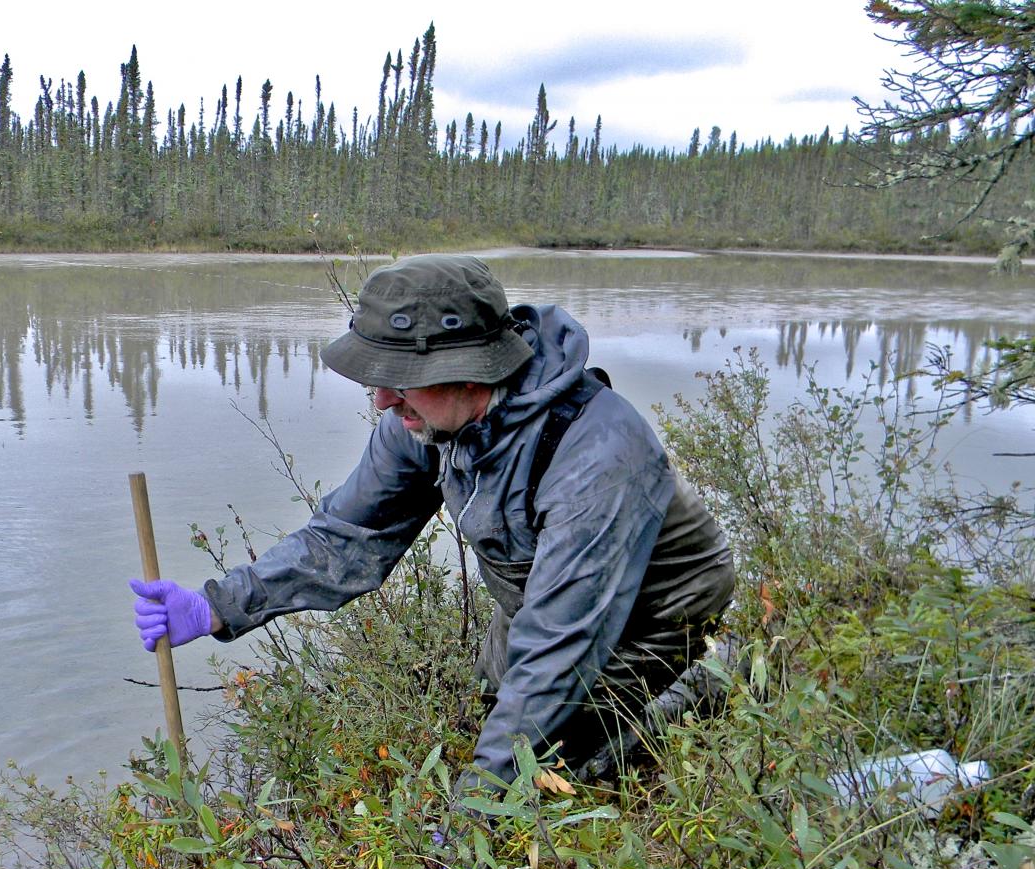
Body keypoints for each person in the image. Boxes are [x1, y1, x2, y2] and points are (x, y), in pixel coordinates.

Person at [131, 253, 734, 785]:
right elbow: (347, 535)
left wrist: (476, 807)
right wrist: (220, 605)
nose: (382, 402)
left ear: (473, 368)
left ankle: (706, 685)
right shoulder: (422, 424)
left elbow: (561, 645)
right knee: (494, 712)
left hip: (655, 613)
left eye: (400, 382)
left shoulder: (599, 452)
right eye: (379, 381)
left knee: (558, 768)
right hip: (538, 591)